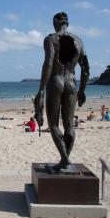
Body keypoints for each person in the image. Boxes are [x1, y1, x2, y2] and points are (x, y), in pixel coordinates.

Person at [34, 12, 90, 171]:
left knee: (53, 124)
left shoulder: (50, 39)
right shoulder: (78, 41)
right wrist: (82, 90)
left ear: (54, 23)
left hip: (56, 81)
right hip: (72, 83)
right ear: (68, 23)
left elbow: (49, 62)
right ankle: (65, 160)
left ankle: (65, 160)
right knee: (69, 124)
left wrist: (41, 90)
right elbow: (85, 68)